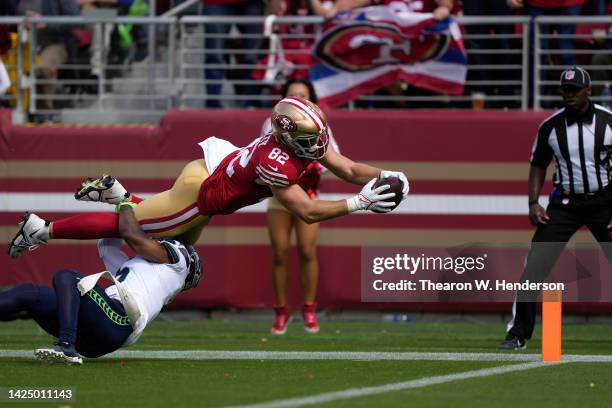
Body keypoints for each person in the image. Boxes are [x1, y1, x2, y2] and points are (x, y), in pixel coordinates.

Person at [8, 98, 410, 258]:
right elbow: (305, 211)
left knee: (175, 244)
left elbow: (349, 168)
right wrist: (360, 203)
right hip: (201, 193)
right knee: (130, 227)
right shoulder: (278, 162)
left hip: (212, 171)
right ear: (290, 136)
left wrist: (387, 174)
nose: (319, 141)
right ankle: (42, 228)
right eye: (310, 136)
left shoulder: (290, 142)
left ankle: (121, 194)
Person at [0, 202, 202, 364]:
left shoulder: (180, 262)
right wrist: (114, 207)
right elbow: (108, 244)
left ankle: (66, 346)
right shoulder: (140, 270)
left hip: (120, 320)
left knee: (67, 277)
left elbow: (132, 235)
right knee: (29, 294)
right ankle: (68, 342)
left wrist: (125, 203)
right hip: (102, 327)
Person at [499, 67, 612, 350]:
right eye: (566, 90)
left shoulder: (609, 122)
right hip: (565, 203)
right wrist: (533, 202)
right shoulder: (550, 126)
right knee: (534, 265)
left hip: (605, 201)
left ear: (589, 90)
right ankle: (517, 333)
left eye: (575, 90)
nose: (570, 95)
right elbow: (538, 164)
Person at [262, 79, 338, 335]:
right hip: (280, 195)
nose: (296, 97)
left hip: (308, 193)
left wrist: (313, 167)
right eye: (292, 94)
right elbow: (260, 153)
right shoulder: (273, 121)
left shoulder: (319, 124)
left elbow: (332, 159)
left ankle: (309, 309)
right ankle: (281, 311)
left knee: (307, 251)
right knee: (279, 252)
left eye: (302, 94)